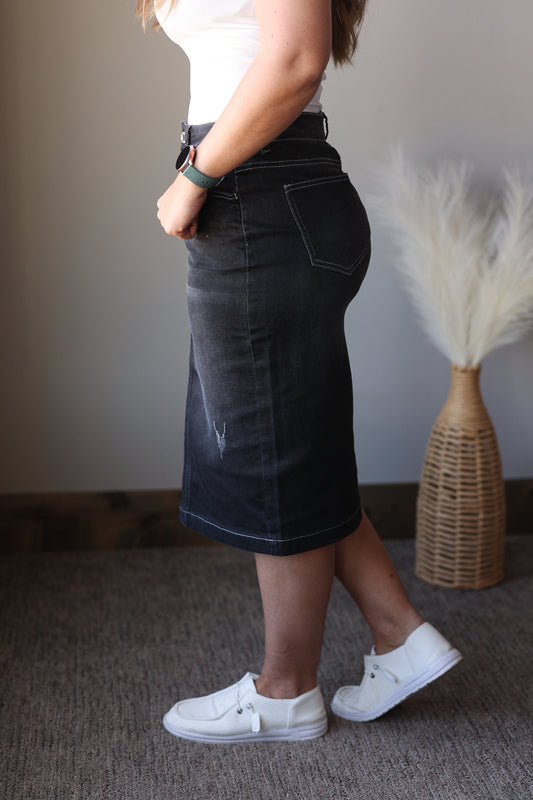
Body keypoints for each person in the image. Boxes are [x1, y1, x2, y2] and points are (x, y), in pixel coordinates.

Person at [136, 0, 462, 743]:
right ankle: (398, 633)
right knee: (287, 436)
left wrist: (196, 174)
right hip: (265, 188)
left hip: (255, 189)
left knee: (268, 448)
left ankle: (285, 693)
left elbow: (293, 59)